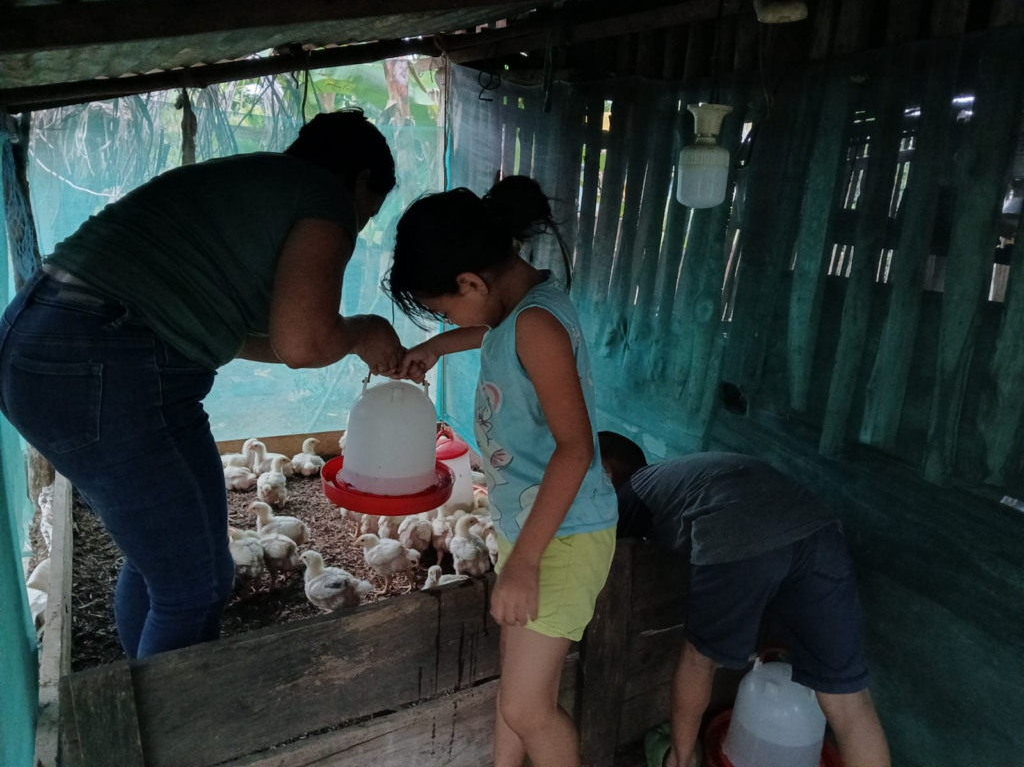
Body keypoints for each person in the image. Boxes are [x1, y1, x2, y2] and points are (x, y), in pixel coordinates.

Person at [0, 110, 405, 659]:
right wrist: (363, 330)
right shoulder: (322, 197)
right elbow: (303, 343)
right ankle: (171, 738)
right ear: (358, 180)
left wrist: (347, 338)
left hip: (62, 343)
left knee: (177, 568)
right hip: (100, 358)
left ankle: (145, 708)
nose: (356, 230)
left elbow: (261, 340)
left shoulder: (254, 186)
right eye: (367, 213)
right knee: (190, 586)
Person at [384, 177, 618, 767]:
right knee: (517, 691)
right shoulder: (520, 307)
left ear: (470, 282)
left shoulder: (534, 326)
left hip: (564, 536)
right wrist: (439, 347)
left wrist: (528, 563)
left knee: (528, 709)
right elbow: (492, 331)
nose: (444, 319)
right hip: (537, 525)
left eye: (443, 309)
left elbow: (575, 450)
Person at [598, 432, 891, 767]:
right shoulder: (685, 474)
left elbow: (602, 548)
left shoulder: (633, 488)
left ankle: (680, 760)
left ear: (606, 472)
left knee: (699, 660)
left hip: (741, 533)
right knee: (850, 703)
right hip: (820, 533)